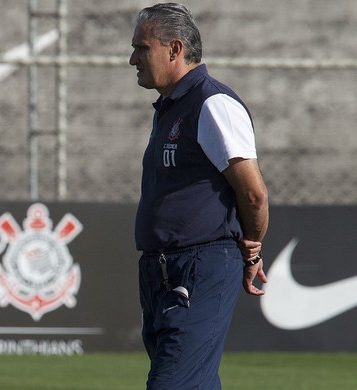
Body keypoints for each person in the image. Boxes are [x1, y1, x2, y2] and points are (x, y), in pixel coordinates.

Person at [129, 3, 269, 389]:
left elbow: (254, 194)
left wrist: (251, 251)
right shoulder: (171, 107)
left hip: (198, 266)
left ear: (174, 49)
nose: (132, 59)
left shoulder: (213, 103)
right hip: (161, 271)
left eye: (142, 48)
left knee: (172, 384)